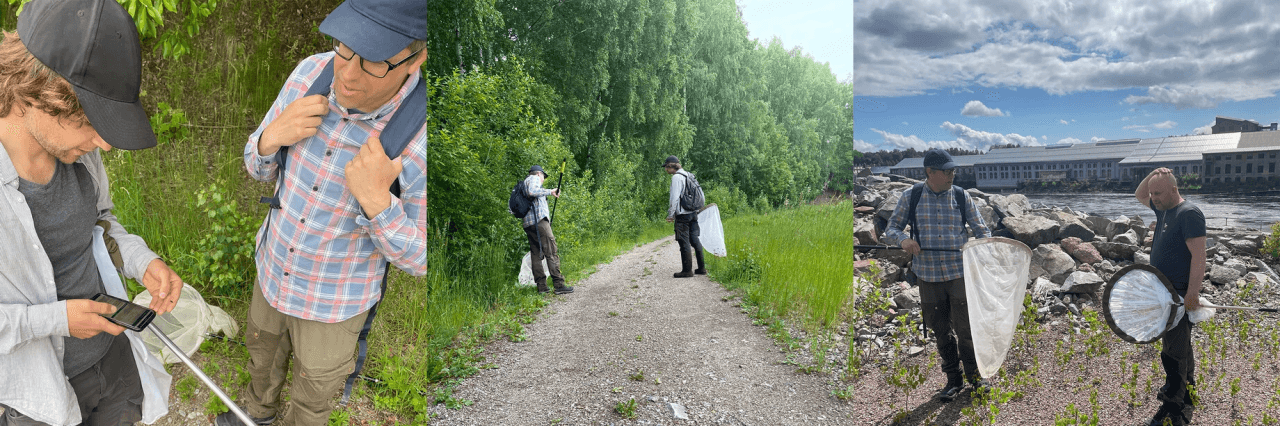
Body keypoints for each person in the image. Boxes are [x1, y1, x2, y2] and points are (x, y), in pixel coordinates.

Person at [229, 0, 427, 424]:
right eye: (345, 46)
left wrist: (377, 203)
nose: (348, 74)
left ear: (416, 58)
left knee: (315, 393)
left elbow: (425, 258)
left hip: (336, 301)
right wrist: (269, 139)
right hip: (273, 269)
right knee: (261, 356)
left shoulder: (423, 137)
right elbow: (255, 163)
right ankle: (255, 415)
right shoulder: (309, 73)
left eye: (375, 60)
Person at [0, 0, 184, 424]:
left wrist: (141, 260)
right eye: (90, 120)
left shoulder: (77, 153)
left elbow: (101, 222)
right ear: (39, 93)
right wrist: (56, 320)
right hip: (39, 398)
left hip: (111, 360)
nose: (104, 143)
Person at [884, 148, 989, 401]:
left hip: (958, 274)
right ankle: (953, 381)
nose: (952, 174)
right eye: (947, 171)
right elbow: (892, 228)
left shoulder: (963, 197)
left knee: (966, 329)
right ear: (930, 172)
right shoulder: (912, 196)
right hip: (927, 276)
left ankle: (976, 378)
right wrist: (903, 241)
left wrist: (976, 248)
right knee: (941, 331)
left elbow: (982, 232)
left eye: (953, 170)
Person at [1134, 168, 1205, 426]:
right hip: (1161, 293)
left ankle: (1175, 405)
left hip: (1177, 295)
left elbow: (1199, 256)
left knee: (1172, 351)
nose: (1153, 197)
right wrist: (1153, 174)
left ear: (1175, 190)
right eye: (1153, 193)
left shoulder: (1189, 214)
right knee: (1180, 343)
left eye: (1159, 193)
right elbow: (1139, 193)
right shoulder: (1162, 208)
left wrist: (1193, 293)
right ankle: (1189, 389)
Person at [521, 165, 573, 294]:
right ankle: (559, 285)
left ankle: (542, 287)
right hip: (539, 222)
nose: (543, 179)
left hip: (529, 224)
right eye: (543, 176)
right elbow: (533, 191)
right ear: (539, 173)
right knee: (551, 250)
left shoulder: (523, 185)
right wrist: (550, 191)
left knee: (536, 254)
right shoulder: (533, 179)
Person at [663, 156, 706, 278]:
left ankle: (687, 271)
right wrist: (696, 209)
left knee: (684, 241)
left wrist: (671, 214)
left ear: (671, 166)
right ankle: (702, 268)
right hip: (693, 213)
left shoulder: (676, 177)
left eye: (666, 167)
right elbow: (700, 194)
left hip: (682, 215)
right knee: (695, 240)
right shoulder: (689, 175)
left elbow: (674, 198)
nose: (666, 170)